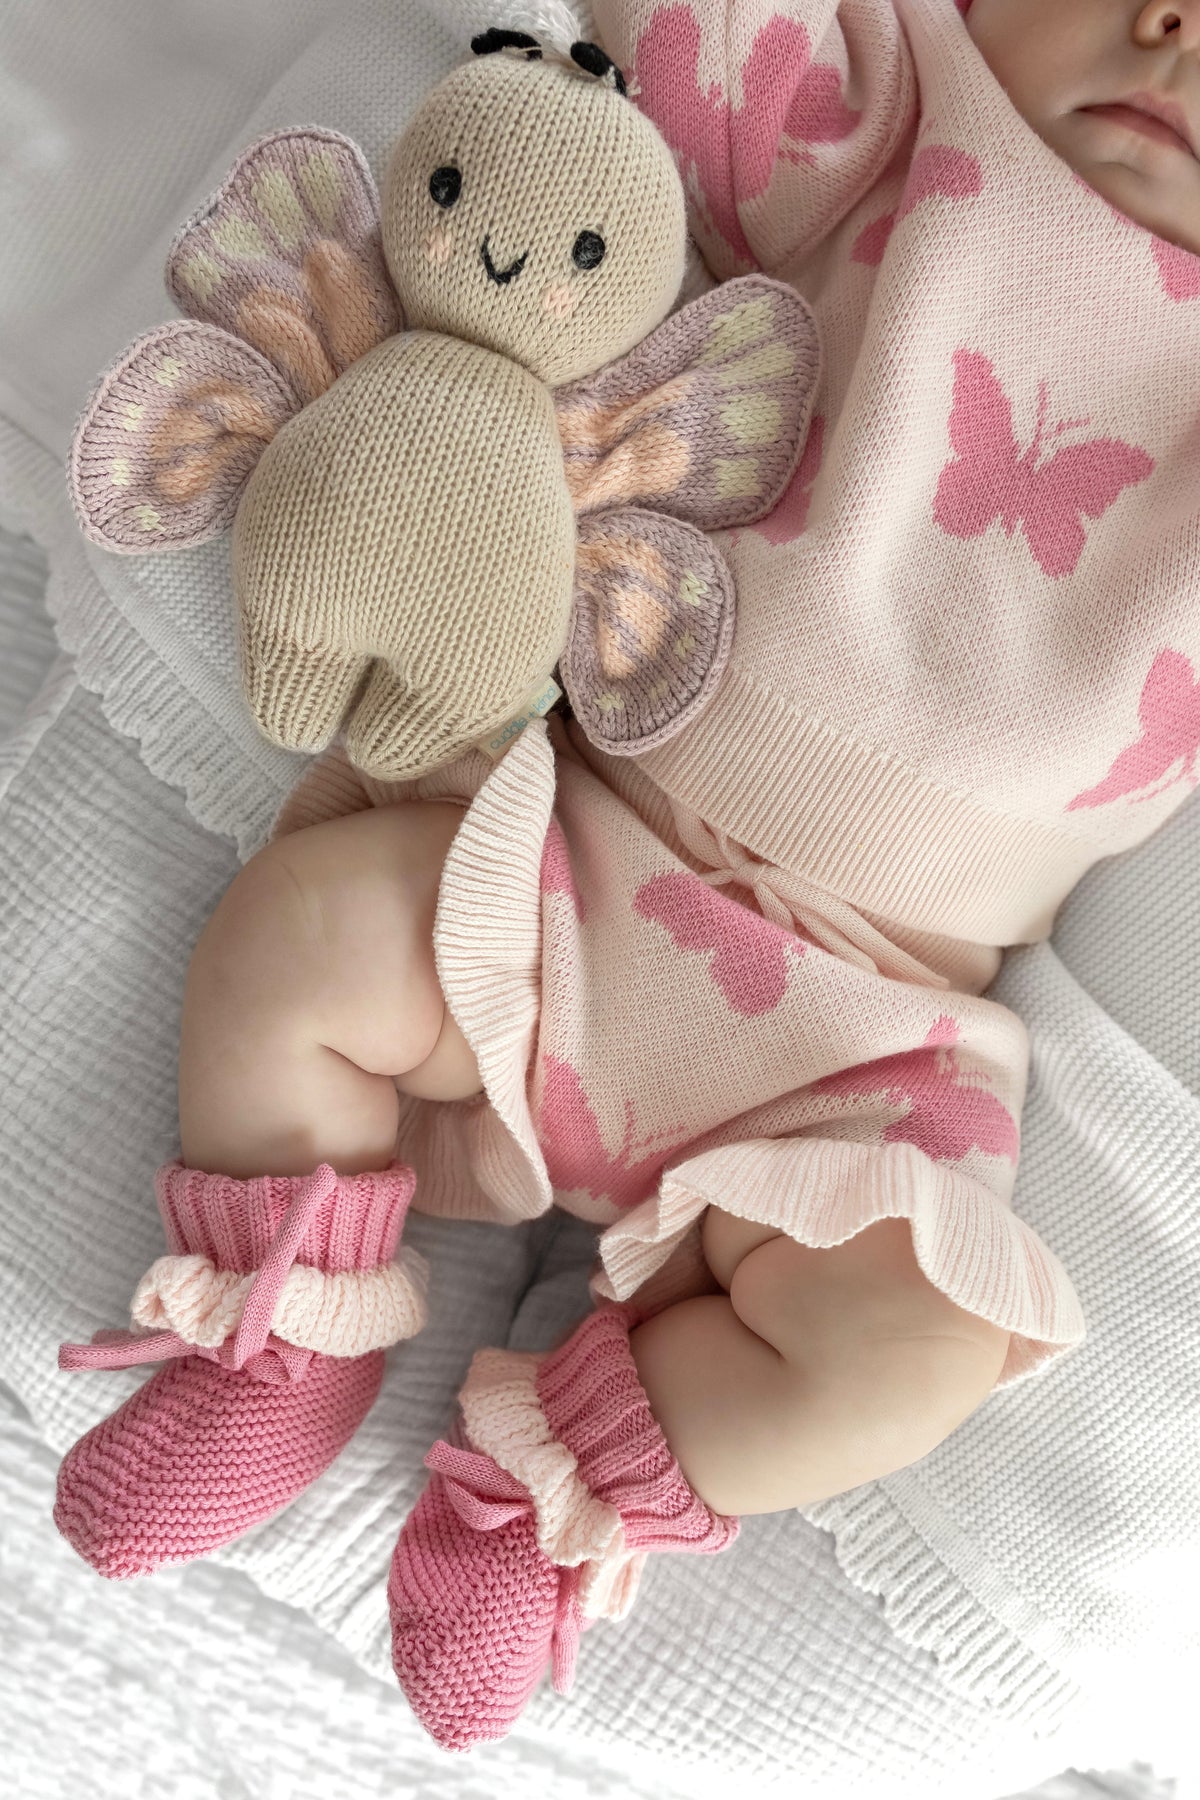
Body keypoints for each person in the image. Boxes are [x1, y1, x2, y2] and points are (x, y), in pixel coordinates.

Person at [54, 0, 1200, 1754]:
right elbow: (696, 43)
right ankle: (281, 1340)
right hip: (571, 860)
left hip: (870, 1044)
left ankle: (545, 1501)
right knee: (304, 942)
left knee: (912, 1345)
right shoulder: (909, 121)